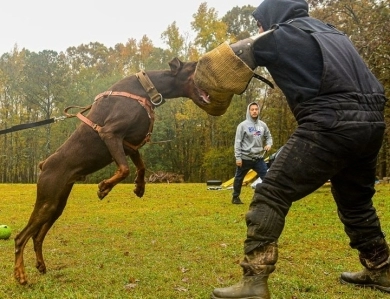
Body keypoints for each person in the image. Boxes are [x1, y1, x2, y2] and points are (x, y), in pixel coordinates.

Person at [211, 0, 389, 298]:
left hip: (330, 121)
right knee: (356, 202)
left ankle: (254, 280)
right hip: (372, 123)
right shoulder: (334, 34)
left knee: (271, 192)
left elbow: (224, 61)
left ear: (273, 15)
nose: (259, 28)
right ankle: (381, 269)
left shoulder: (279, 35)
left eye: (260, 21)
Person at [232, 102, 272, 204]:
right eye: (252, 109)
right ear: (249, 111)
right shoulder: (242, 125)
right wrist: (238, 158)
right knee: (238, 178)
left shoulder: (263, 125)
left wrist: (269, 144)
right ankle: (235, 197)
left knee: (267, 178)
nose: (254, 111)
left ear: (258, 111)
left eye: (256, 109)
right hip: (245, 158)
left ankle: (270, 197)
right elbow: (237, 142)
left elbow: (269, 137)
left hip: (258, 158)